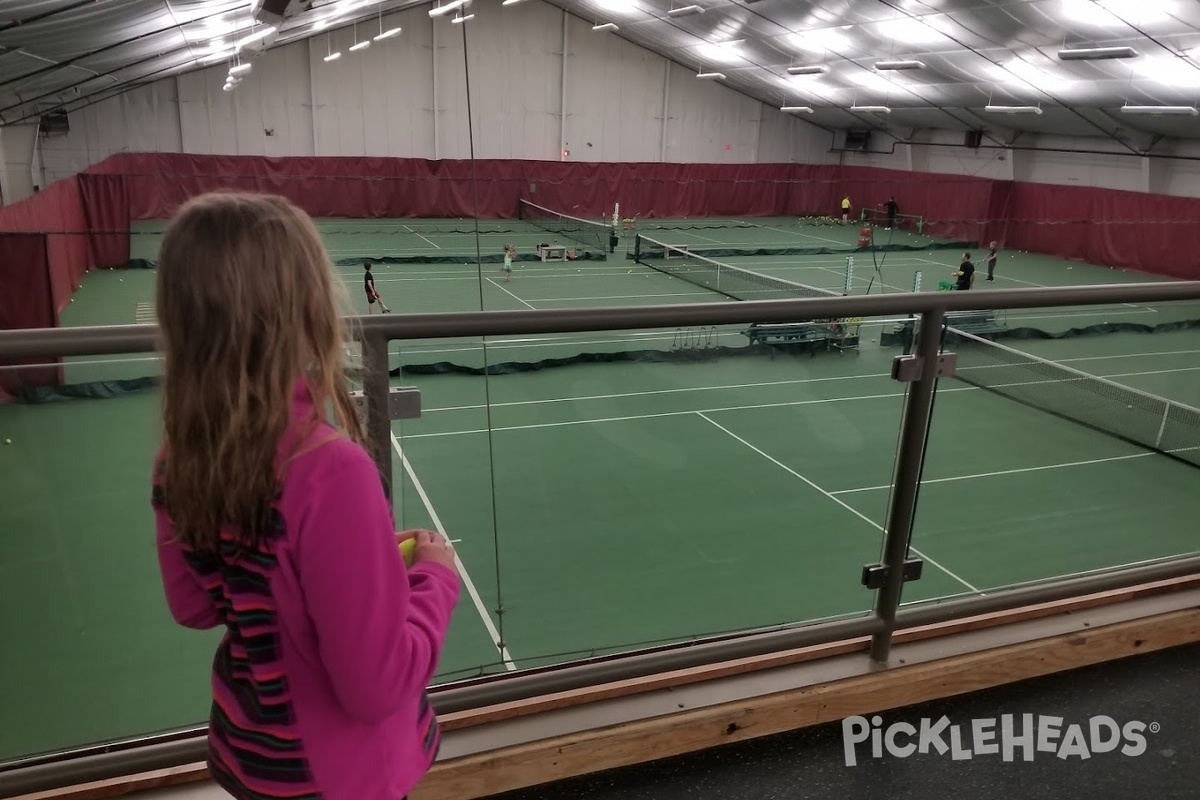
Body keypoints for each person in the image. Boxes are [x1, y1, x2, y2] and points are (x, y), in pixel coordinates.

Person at [150, 192, 460, 800]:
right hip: (343, 779)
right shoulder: (330, 471)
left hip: (253, 758)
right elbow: (376, 687)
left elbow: (198, 604)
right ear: (308, 307)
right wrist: (434, 578)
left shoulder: (179, 453)